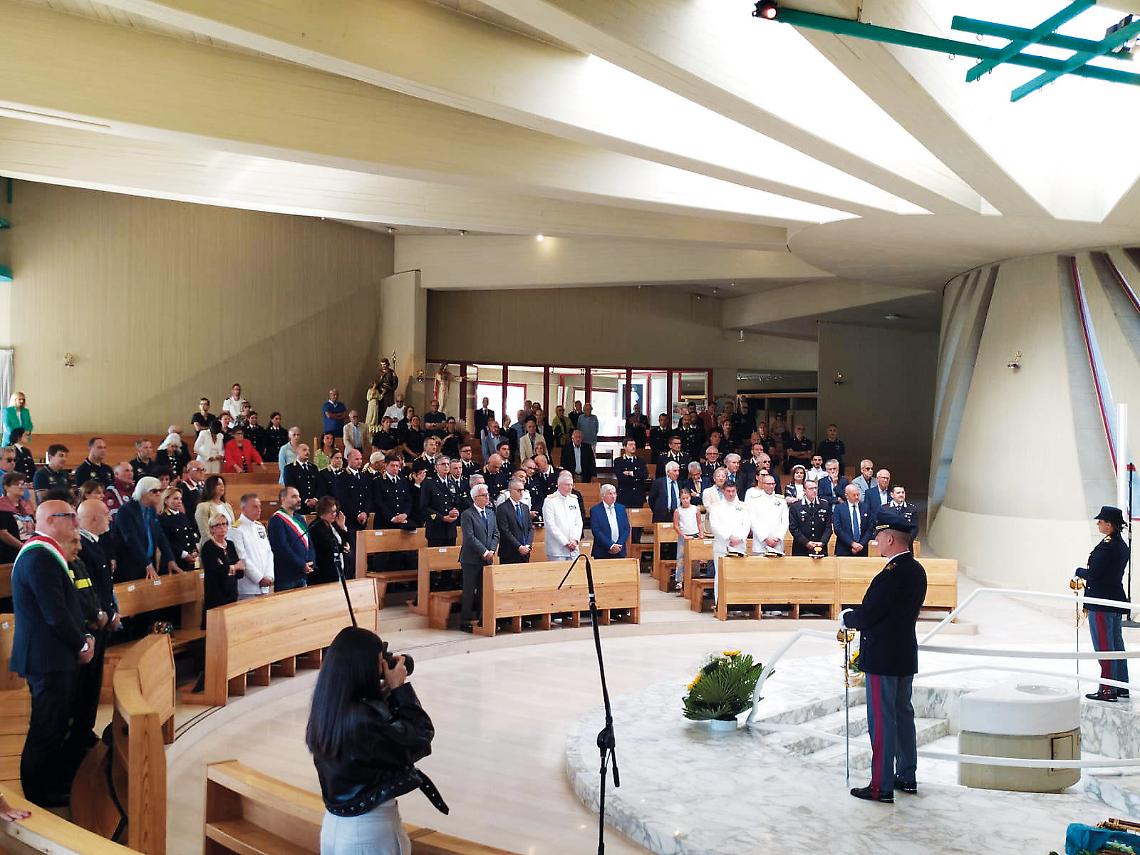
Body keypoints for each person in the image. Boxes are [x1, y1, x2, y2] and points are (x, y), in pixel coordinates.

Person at [306, 626, 439, 855]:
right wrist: (400, 689)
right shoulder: (364, 721)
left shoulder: (328, 707)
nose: (383, 668)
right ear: (363, 669)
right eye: (379, 661)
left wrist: (382, 697)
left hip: (335, 826)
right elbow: (420, 738)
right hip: (369, 834)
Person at [840, 508, 926, 803]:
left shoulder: (890, 574)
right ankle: (906, 774)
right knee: (903, 716)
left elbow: (870, 615)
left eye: (878, 537)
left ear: (891, 539)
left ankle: (881, 785)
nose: (876, 542)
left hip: (882, 659)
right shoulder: (916, 570)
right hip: (903, 655)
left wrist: (847, 618)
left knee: (882, 720)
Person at [10, 499, 90, 806]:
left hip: (52, 655)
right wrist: (81, 644)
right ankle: (36, 794)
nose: (75, 522)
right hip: (46, 658)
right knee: (46, 726)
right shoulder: (39, 556)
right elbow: (54, 613)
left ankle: (49, 784)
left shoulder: (47, 554)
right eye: (70, 516)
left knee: (55, 723)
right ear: (49, 520)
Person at [73, 499, 119, 752]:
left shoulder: (95, 543)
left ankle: (85, 728)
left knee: (94, 680)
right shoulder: (82, 547)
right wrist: (103, 614)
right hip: (92, 623)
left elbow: (105, 586)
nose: (110, 518)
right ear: (91, 518)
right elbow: (87, 591)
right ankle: (79, 732)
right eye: (105, 514)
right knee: (86, 681)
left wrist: (112, 613)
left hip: (102, 620)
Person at [1075, 506, 1131, 702]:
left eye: (1101, 521)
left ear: (1110, 524)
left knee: (1105, 647)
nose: (1098, 523)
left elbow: (1095, 574)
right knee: (1116, 645)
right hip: (1114, 600)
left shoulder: (1108, 546)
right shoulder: (1120, 544)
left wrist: (1079, 571)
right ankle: (1121, 686)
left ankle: (1107, 690)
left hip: (1101, 602)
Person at [112, 477, 179, 581]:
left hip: (148, 562)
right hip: (130, 564)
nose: (159, 494)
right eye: (154, 491)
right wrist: (147, 563)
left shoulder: (151, 509)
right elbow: (131, 539)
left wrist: (170, 559)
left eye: (160, 490)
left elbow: (160, 535)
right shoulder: (126, 510)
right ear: (143, 492)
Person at [458, 484, 499, 633]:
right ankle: (465, 620)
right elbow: (469, 537)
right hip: (471, 559)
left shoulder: (490, 513)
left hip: (487, 558)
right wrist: (484, 552)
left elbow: (496, 533)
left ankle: (483, 617)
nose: (487, 497)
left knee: (484, 590)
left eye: (487, 494)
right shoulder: (467, 514)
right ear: (475, 498)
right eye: (484, 495)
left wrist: (492, 550)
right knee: (469, 590)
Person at [227, 493, 274, 598]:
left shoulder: (259, 527)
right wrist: (259, 578)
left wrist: (269, 576)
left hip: (266, 584)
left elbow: (268, 553)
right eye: (254, 506)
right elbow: (242, 557)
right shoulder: (236, 529)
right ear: (243, 509)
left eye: (260, 506)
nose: (259, 510)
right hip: (248, 587)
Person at [201, 514, 244, 627]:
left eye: (224, 524)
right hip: (216, 593)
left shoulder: (230, 544)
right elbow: (216, 570)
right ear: (212, 529)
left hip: (232, 591)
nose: (222, 527)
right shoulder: (208, 547)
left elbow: (240, 571)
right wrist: (233, 567)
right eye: (218, 525)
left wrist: (229, 568)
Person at [269, 486, 315, 591]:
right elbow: (282, 547)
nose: (299, 499)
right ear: (283, 499)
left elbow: (310, 543)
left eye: (299, 496)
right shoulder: (277, 520)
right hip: (286, 576)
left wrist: (311, 561)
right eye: (294, 497)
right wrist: (301, 564)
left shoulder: (299, 518)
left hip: (303, 574)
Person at [311, 496, 351, 586]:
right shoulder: (316, 526)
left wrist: (342, 526)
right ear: (322, 511)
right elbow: (327, 546)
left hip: (339, 566)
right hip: (325, 571)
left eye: (335, 511)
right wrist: (343, 548)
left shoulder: (333, 524)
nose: (334, 514)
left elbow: (347, 540)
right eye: (331, 512)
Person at [543, 471, 583, 561]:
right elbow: (550, 525)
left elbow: (578, 522)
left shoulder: (573, 499)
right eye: (567, 485)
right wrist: (566, 543)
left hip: (573, 548)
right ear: (559, 485)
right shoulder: (550, 500)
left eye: (571, 485)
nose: (570, 487)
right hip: (557, 549)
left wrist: (575, 540)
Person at [158, 487, 199, 572]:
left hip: (188, 563)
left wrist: (194, 550)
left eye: (180, 499)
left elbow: (190, 535)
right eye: (176, 498)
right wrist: (184, 554)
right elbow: (165, 542)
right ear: (166, 500)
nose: (180, 501)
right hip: (173, 562)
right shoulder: (163, 518)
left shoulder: (183, 516)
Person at [789, 480, 833, 556]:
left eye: (815, 488)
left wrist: (822, 542)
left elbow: (828, 527)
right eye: (811, 488)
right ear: (804, 491)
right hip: (801, 548)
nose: (814, 491)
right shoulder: (795, 507)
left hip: (820, 547)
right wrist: (806, 542)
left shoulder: (825, 505)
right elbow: (793, 528)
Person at [748, 474, 788, 556]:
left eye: (773, 484)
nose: (771, 486)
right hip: (760, 545)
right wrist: (765, 538)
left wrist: (778, 537)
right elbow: (752, 521)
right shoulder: (755, 500)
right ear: (763, 484)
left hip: (777, 544)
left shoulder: (781, 500)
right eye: (768, 484)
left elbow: (785, 521)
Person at [495, 478, 533, 565]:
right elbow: (505, 530)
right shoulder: (503, 508)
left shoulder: (525, 507)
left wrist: (528, 545)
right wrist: (519, 546)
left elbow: (530, 528)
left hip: (525, 552)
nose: (521, 493)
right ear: (510, 491)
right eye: (518, 490)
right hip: (509, 552)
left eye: (522, 490)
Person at [0, 471, 34, 564]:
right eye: (17, 484)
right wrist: (23, 546)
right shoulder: (1, 506)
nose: (21, 486)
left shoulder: (26, 505)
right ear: (6, 487)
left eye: (23, 484)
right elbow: (3, 533)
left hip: (28, 550)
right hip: (9, 554)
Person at [590, 484, 630, 559]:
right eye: (610, 494)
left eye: (614, 493)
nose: (613, 496)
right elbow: (596, 531)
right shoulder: (595, 510)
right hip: (602, 552)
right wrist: (610, 545)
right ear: (603, 496)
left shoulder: (621, 508)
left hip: (620, 550)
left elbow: (626, 528)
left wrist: (619, 544)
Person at [672, 488, 702, 590]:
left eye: (687, 498)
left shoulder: (695, 509)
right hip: (683, 536)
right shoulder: (678, 511)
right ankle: (680, 579)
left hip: (694, 535)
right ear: (680, 499)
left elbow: (699, 522)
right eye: (683, 498)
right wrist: (682, 535)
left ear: (690, 498)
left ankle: (695, 577)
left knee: (696, 559)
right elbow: (676, 525)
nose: (685, 500)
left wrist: (701, 533)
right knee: (681, 557)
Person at [833, 484, 873, 557]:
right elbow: (838, 529)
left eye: (858, 494)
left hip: (862, 549)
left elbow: (869, 528)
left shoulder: (865, 507)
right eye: (854, 495)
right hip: (844, 549)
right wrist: (852, 544)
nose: (857, 497)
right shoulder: (839, 508)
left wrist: (861, 544)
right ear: (847, 495)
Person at [194, 475, 234, 543]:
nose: (222, 487)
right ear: (211, 487)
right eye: (218, 484)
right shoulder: (203, 506)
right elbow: (205, 533)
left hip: (229, 544)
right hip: (212, 546)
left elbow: (232, 526)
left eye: (223, 484)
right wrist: (219, 544)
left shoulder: (227, 506)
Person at [284, 442, 321, 514]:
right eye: (304, 450)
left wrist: (315, 499)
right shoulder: (290, 468)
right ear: (297, 452)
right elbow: (291, 488)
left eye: (308, 450)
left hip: (314, 506)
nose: (307, 452)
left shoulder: (313, 468)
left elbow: (319, 486)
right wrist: (305, 500)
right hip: (299, 507)